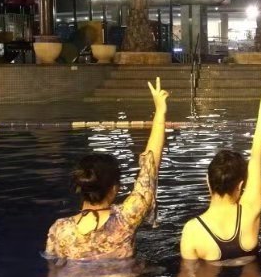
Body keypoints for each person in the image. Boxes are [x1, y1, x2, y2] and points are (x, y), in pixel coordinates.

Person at [45, 77, 169, 262]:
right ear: (114, 189)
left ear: (80, 186)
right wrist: (160, 112)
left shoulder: (60, 230)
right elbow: (149, 167)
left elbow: (54, 272)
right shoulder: (126, 218)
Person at [179, 77, 261, 263]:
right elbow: (257, 153)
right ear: (240, 186)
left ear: (207, 181)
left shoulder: (193, 230)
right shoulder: (251, 210)